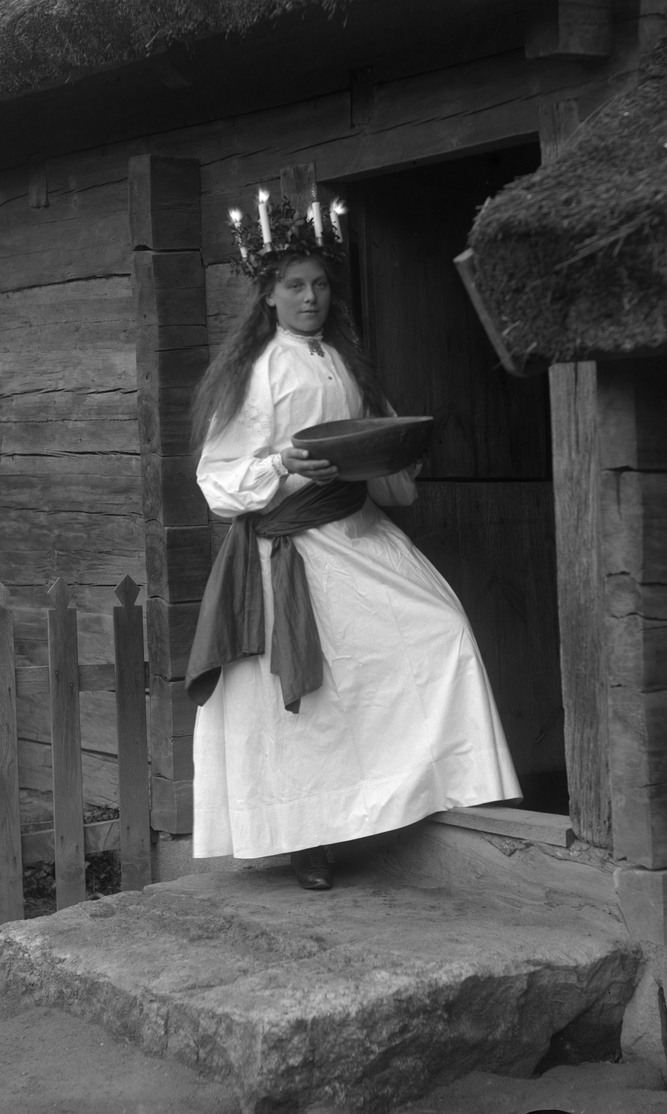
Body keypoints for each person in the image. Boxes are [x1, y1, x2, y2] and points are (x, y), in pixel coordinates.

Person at [185, 197, 521, 890]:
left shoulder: (341, 360)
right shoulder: (259, 372)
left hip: (359, 527)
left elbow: (376, 443)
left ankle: (442, 789)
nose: (311, 297)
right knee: (311, 699)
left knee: (440, 631)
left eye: (320, 284)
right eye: (295, 286)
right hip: (297, 547)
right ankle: (307, 840)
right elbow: (217, 479)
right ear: (269, 297)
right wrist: (281, 464)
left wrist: (397, 455)